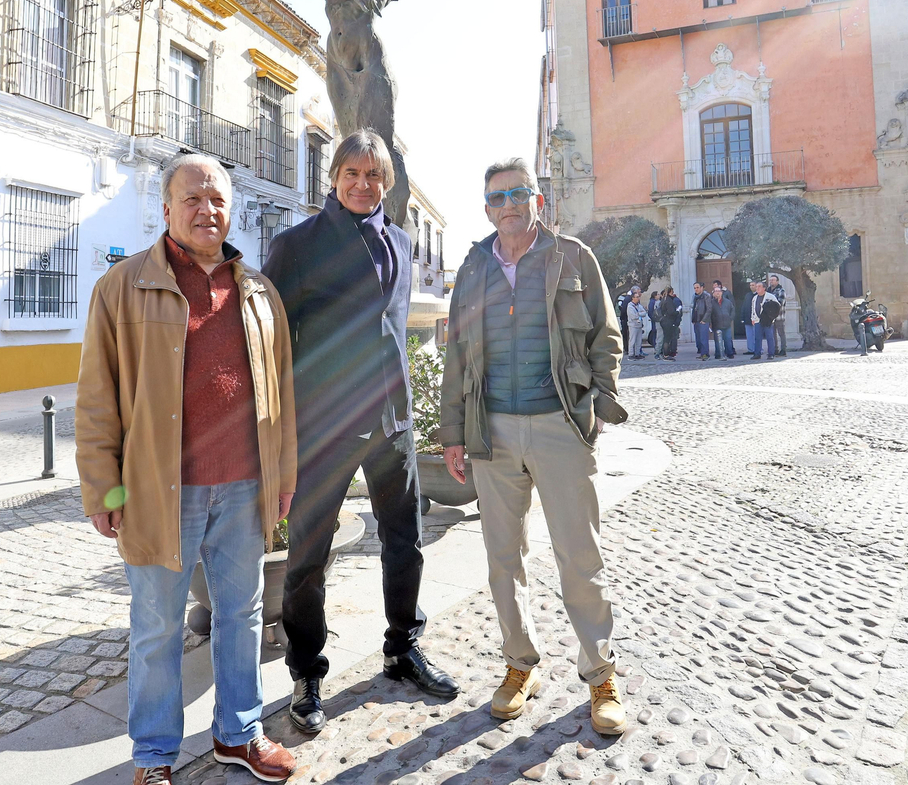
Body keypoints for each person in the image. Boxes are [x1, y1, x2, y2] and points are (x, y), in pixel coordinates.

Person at [75, 154, 298, 784]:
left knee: (241, 615)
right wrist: (104, 488)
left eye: (218, 200)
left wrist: (281, 480)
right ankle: (153, 756)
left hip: (244, 485)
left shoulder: (258, 292)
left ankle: (239, 734)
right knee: (156, 626)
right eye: (193, 199)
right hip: (157, 492)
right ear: (167, 209)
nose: (207, 211)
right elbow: (98, 398)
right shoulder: (122, 287)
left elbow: (280, 392)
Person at [264, 129, 459, 734]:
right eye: (351, 173)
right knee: (308, 558)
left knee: (405, 543)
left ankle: (403, 647)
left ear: (386, 184)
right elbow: (272, 340)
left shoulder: (401, 240)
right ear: (333, 178)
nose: (361, 184)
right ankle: (306, 671)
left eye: (373, 176)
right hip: (325, 426)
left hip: (393, 424)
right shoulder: (296, 245)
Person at [437, 158, 629, 736]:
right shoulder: (473, 266)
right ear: (487, 208)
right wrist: (452, 434)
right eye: (497, 198)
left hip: (560, 426)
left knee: (580, 558)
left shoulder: (573, 256)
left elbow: (606, 336)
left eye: (519, 194)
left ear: (537, 200)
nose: (509, 205)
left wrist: (598, 402)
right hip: (492, 430)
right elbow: (456, 356)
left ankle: (600, 675)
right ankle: (520, 665)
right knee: (502, 559)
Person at [749, 281, 782, 360]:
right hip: (757, 320)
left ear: (764, 288)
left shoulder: (770, 296)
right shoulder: (754, 298)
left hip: (768, 320)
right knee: (757, 338)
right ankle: (757, 353)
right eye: (756, 287)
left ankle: (771, 353)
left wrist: (772, 317)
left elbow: (777, 307)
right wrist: (752, 318)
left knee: (769, 337)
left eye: (759, 286)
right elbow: (753, 309)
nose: (757, 288)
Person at [655, 287, 683, 359]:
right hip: (668, 321)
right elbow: (671, 312)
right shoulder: (668, 300)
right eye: (672, 292)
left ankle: (665, 354)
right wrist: (677, 311)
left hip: (664, 321)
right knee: (667, 339)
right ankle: (666, 355)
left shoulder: (663, 300)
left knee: (666, 338)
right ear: (670, 292)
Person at [709, 284, 736, 360]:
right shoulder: (711, 302)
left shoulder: (728, 302)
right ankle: (719, 354)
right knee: (717, 341)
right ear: (713, 293)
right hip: (716, 324)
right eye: (716, 291)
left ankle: (730, 353)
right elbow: (709, 313)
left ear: (722, 292)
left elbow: (732, 310)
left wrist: (730, 318)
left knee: (728, 339)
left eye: (719, 291)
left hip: (727, 323)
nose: (717, 293)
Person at [766, 274, 788, 356]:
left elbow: (780, 303)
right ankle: (775, 349)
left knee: (781, 333)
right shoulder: (767, 291)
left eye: (773, 280)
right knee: (772, 334)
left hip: (779, 316)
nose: (771, 281)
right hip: (770, 317)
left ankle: (783, 350)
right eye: (770, 280)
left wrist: (770, 305)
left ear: (777, 281)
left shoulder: (781, 290)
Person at [690, 282, 712, 360]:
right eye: (695, 288)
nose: (696, 289)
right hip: (696, 320)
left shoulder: (706, 296)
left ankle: (705, 354)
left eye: (697, 287)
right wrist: (693, 319)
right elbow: (694, 308)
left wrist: (704, 320)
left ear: (702, 288)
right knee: (698, 339)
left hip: (703, 320)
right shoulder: (695, 297)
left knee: (704, 338)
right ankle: (702, 353)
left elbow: (709, 309)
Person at [626, 291, 648, 359]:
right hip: (633, 325)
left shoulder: (639, 305)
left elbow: (644, 313)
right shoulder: (630, 306)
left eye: (639, 297)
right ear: (633, 298)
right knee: (632, 341)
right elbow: (633, 316)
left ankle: (637, 354)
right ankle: (631, 354)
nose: (638, 298)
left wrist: (638, 313)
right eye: (637, 297)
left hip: (639, 325)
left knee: (639, 341)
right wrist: (639, 313)